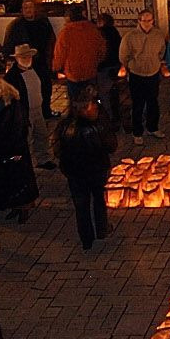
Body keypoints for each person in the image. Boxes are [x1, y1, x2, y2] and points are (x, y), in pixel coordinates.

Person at [53, 90, 114, 251]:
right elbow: (110, 146)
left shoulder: (64, 126)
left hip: (74, 173)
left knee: (81, 205)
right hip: (96, 171)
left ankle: (86, 238)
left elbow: (57, 149)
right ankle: (101, 229)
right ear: (85, 108)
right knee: (99, 200)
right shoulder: (94, 127)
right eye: (92, 105)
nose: (96, 107)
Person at [0, 74, 38, 221]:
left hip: (15, 148)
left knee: (20, 179)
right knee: (9, 180)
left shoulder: (13, 104)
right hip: (2, 149)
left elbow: (19, 127)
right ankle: (15, 207)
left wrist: (16, 149)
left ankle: (23, 209)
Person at [119, 9, 166, 141]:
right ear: (139, 21)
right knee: (138, 104)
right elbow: (124, 56)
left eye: (149, 20)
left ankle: (153, 127)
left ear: (153, 21)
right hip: (137, 74)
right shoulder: (130, 37)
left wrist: (156, 63)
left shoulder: (158, 35)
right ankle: (137, 132)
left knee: (153, 102)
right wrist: (131, 66)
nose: (146, 23)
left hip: (153, 73)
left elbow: (161, 52)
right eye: (144, 21)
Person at [4, 43, 54, 166]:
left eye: (29, 57)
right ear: (16, 59)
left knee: (41, 135)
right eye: (23, 57)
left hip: (38, 109)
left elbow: (45, 86)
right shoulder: (12, 76)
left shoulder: (37, 69)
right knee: (27, 138)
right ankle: (26, 162)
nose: (27, 59)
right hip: (24, 112)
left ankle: (43, 159)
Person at [52, 3, 105, 103]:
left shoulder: (66, 32)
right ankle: (92, 116)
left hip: (73, 73)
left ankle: (78, 116)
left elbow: (60, 53)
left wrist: (56, 68)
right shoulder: (93, 29)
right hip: (90, 70)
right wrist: (97, 62)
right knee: (90, 98)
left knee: (76, 100)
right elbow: (101, 49)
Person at [1, 0, 56, 93]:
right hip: (23, 61)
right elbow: (8, 44)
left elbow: (51, 40)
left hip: (41, 60)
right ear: (22, 10)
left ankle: (45, 107)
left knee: (45, 86)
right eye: (25, 8)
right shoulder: (15, 25)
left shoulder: (43, 22)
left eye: (30, 7)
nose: (28, 10)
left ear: (35, 9)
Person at [95, 12, 122, 110]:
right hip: (114, 64)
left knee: (104, 92)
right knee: (113, 90)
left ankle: (108, 113)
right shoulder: (115, 32)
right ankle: (115, 110)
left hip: (104, 66)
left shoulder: (100, 34)